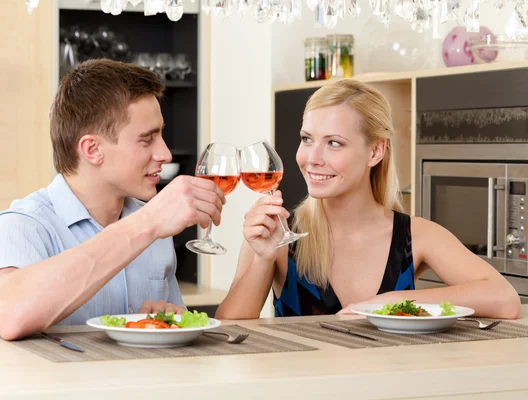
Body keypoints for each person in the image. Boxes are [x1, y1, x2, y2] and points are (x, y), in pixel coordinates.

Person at [215, 79, 521, 320]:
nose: (312, 158)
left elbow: (504, 299)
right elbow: (230, 328)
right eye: (307, 139)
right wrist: (263, 258)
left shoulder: (415, 235)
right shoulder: (276, 234)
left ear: (375, 151)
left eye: (334, 143)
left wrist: (390, 302)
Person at [0, 59, 226, 340]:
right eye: (147, 139)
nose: (166, 154)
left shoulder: (154, 230)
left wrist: (161, 319)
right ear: (92, 149)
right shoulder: (20, 226)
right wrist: (149, 221)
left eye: (161, 135)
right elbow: (11, 315)